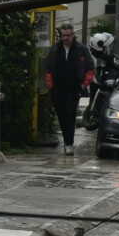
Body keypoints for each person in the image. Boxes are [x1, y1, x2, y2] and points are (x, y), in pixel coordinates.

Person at [44, 26, 93, 154]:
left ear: (73, 35)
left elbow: (90, 67)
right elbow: (48, 68)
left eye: (68, 35)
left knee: (70, 114)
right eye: (63, 36)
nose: (66, 38)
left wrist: (84, 84)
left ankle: (69, 144)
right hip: (58, 88)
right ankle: (67, 141)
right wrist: (50, 85)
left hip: (74, 87)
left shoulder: (81, 49)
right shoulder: (55, 49)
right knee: (61, 115)